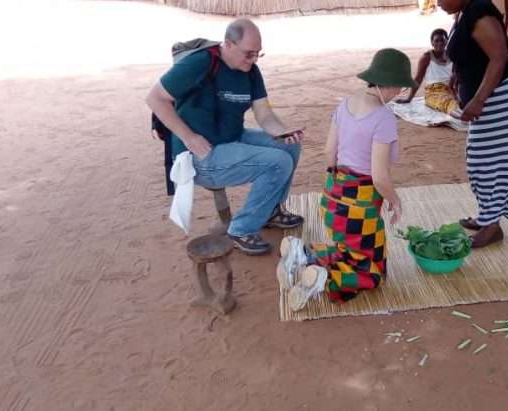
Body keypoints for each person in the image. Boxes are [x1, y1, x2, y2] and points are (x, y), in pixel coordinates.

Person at [146, 18, 305, 255]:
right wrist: (189, 137)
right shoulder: (200, 63)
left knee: (289, 148)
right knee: (278, 162)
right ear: (228, 45)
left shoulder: (250, 70)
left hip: (231, 139)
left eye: (257, 54)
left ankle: (271, 210)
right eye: (248, 54)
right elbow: (155, 98)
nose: (252, 60)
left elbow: (263, 112)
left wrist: (280, 131)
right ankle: (241, 229)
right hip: (201, 155)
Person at [279, 49, 415, 311]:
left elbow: (329, 153)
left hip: (332, 201)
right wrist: (394, 201)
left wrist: (338, 187)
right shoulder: (383, 117)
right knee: (373, 272)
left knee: (346, 253)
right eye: (400, 86)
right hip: (360, 211)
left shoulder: (345, 104)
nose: (400, 92)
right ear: (391, 84)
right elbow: (379, 176)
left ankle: (304, 254)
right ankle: (325, 278)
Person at [431, 0, 508, 248]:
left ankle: (492, 225)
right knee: (481, 163)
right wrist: (456, 80)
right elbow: (471, 55)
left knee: (487, 163)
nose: (439, 2)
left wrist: (478, 101)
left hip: (496, 98)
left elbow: (499, 58)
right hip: (487, 98)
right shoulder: (465, 10)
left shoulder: (481, 12)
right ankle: (488, 216)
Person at [396, 28, 459, 114]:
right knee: (448, 104)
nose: (440, 43)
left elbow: (456, 76)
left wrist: (456, 92)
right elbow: (418, 78)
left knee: (463, 102)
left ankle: (462, 115)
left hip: (450, 90)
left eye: (442, 40)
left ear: (447, 41)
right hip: (433, 91)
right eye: (436, 41)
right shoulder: (426, 57)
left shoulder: (452, 55)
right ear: (432, 43)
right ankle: (462, 118)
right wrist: (409, 98)